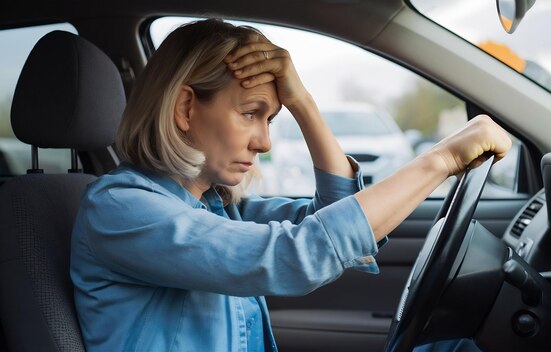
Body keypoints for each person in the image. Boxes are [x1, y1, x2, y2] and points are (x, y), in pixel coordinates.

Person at [70, 19, 511, 351]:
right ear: (186, 108)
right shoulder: (119, 209)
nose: (263, 141)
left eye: (270, 120)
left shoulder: (215, 207)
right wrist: (442, 159)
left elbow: (339, 215)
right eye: (249, 113)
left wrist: (302, 102)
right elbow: (295, 256)